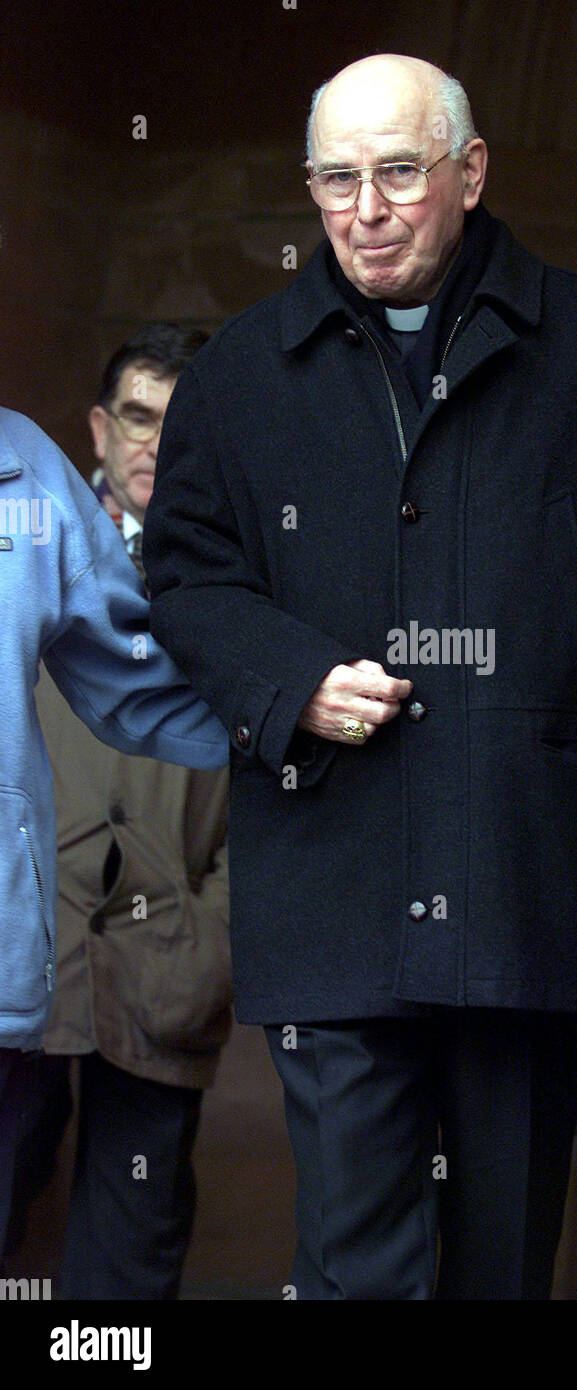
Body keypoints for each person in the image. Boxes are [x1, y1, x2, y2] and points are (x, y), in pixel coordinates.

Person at [142, 54, 577, 1300]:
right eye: (336, 179)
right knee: (356, 1259)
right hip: (335, 880)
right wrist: (294, 677)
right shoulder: (239, 374)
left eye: (398, 172)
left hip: (530, 875)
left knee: (501, 1258)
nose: (365, 208)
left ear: (469, 174)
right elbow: (187, 578)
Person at [4, 325, 233, 1300]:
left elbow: (269, 757)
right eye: (137, 417)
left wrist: (222, 928)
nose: (153, 444)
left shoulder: (248, 569)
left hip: (166, 960)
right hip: (36, 954)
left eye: (179, 425)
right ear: (100, 427)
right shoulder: (40, 519)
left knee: (129, 1263)